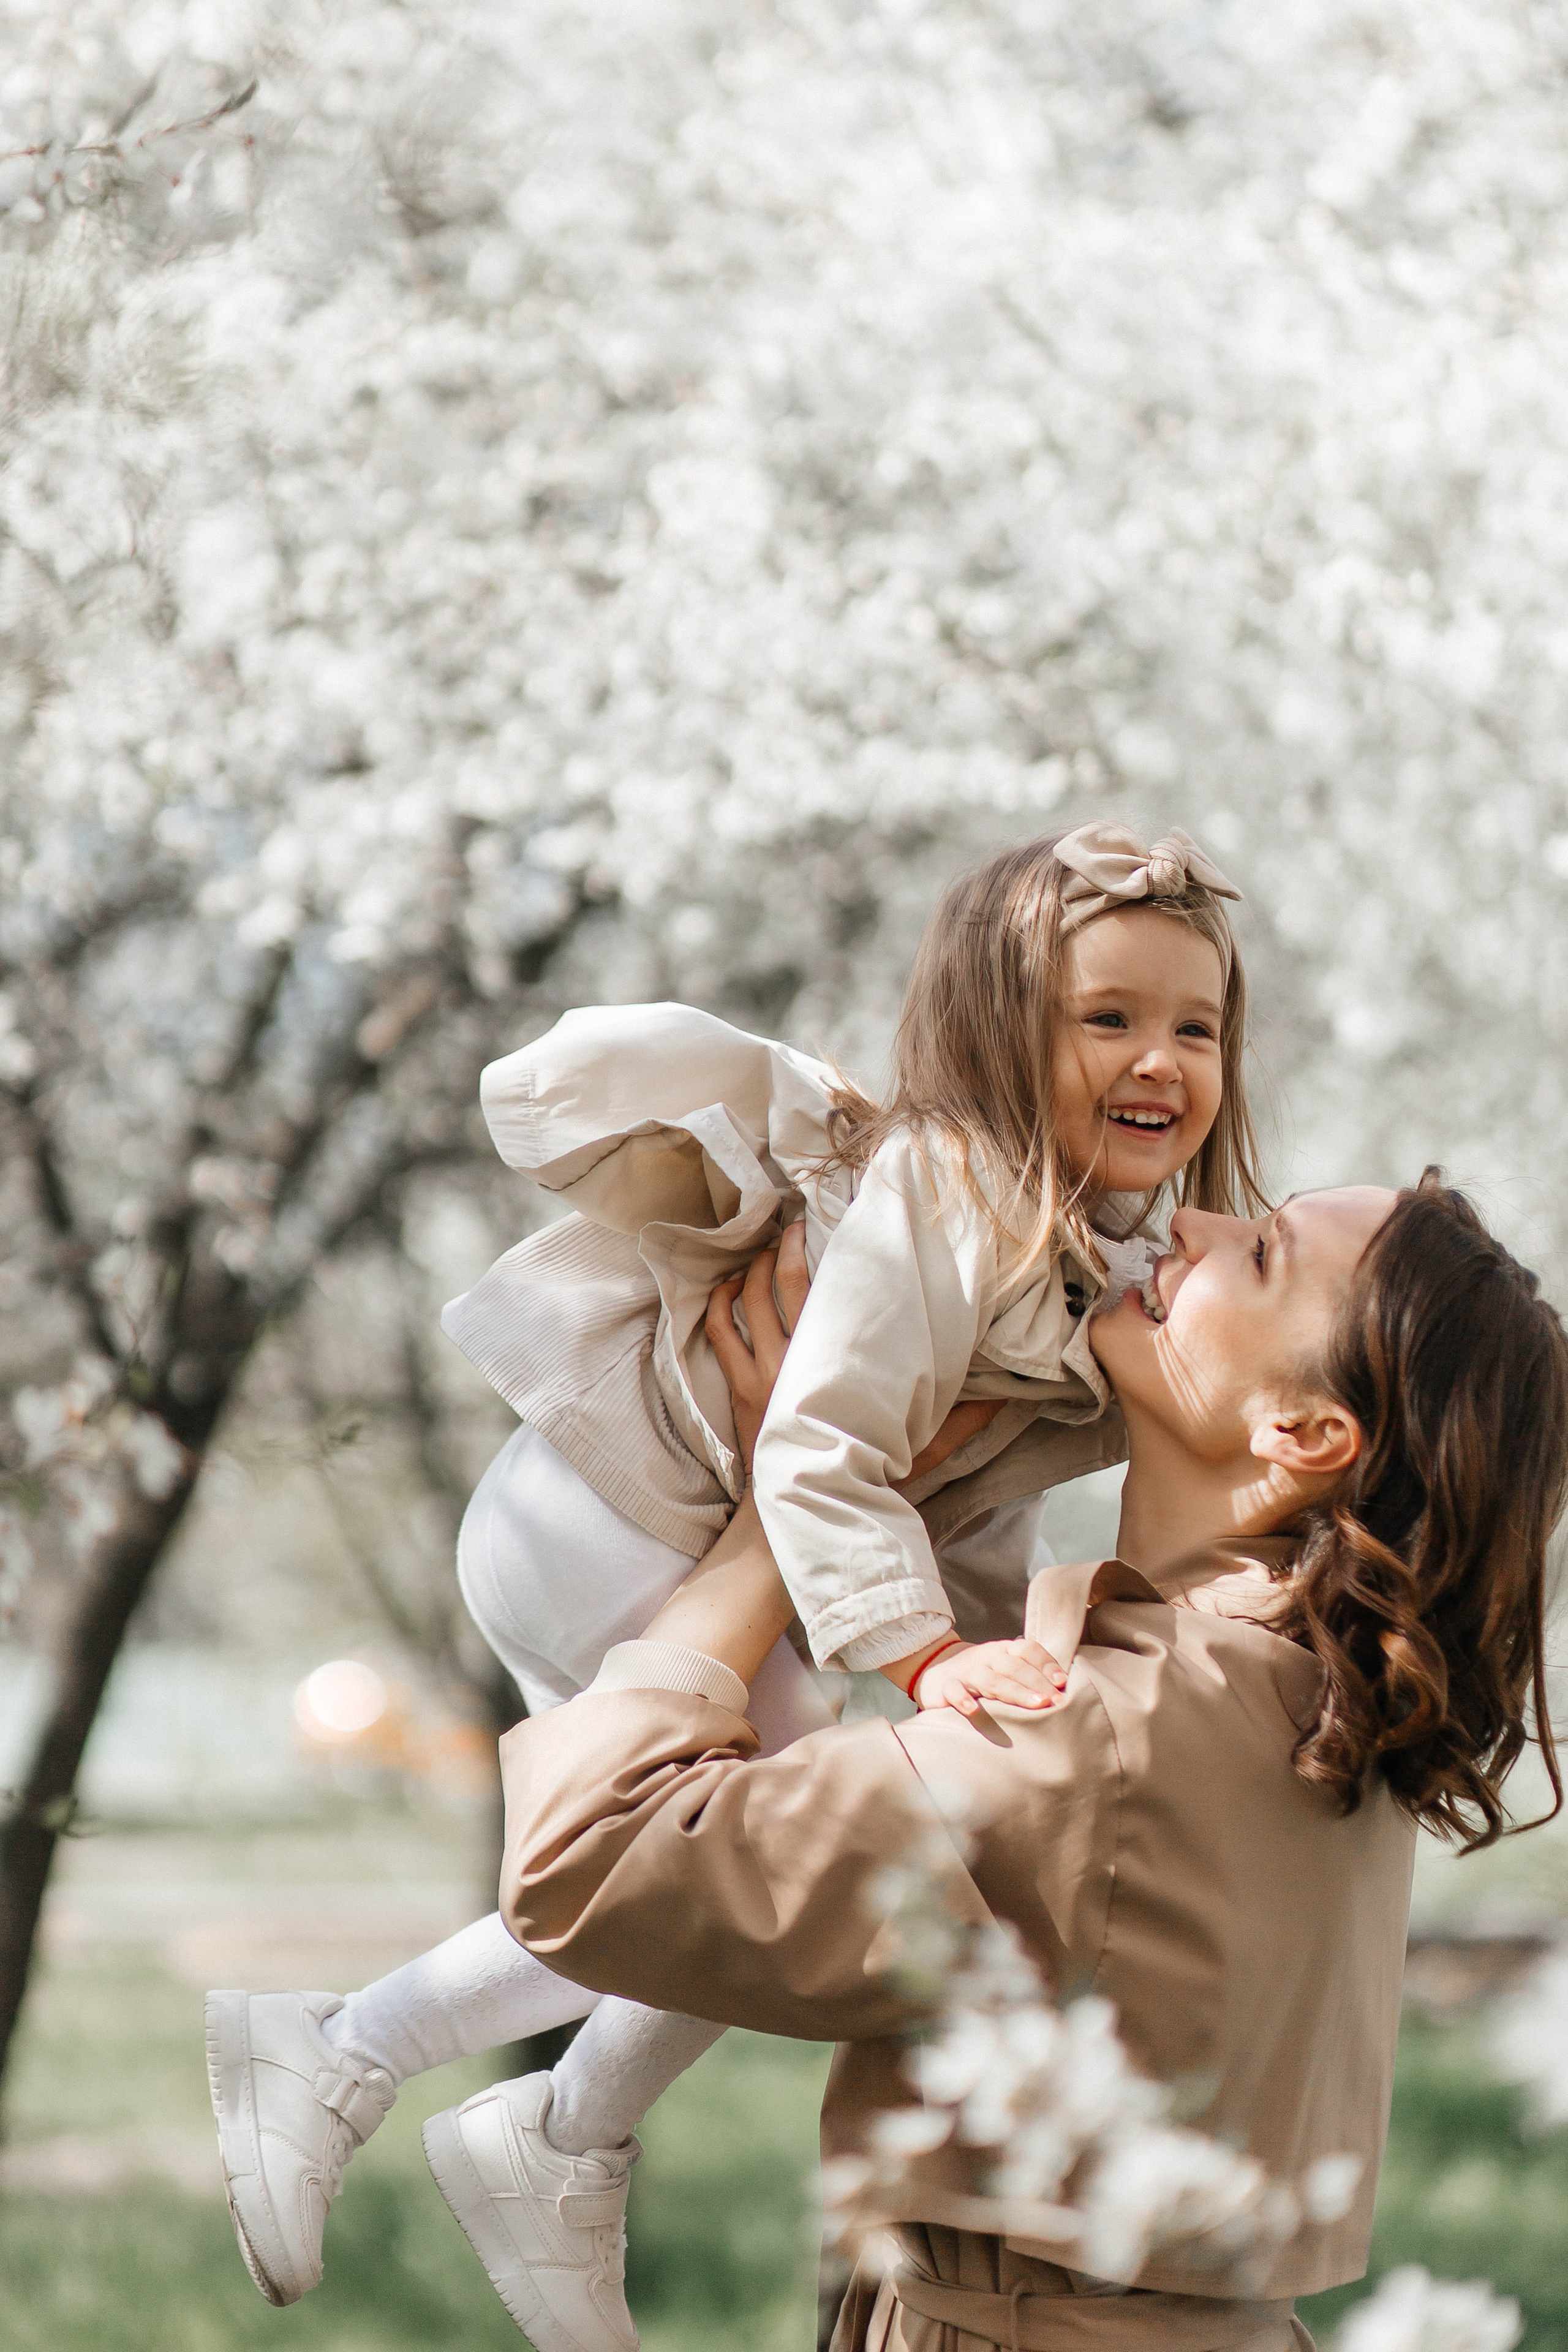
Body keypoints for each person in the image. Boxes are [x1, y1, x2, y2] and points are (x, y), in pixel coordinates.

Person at [206, 820, 1267, 2348]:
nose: (1158, 1059)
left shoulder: (1092, 1253)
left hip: (652, 1537)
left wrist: (982, 1683)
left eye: (1195, 1027)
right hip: (614, 1509)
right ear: (997, 1035)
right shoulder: (951, 1192)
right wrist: (921, 1661)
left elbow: (963, 1494)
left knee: (749, 1869)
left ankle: (543, 2131)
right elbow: (826, 1447)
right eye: (1106, 1018)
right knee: (759, 1858)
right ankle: (372, 2062)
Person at [477, 1172, 1568, 2350]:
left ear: (1303, 1434)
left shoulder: (1103, 1727)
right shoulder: (1321, 1711)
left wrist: (780, 1510)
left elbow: (588, 1858)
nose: (1192, 1221)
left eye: (1261, 1254)